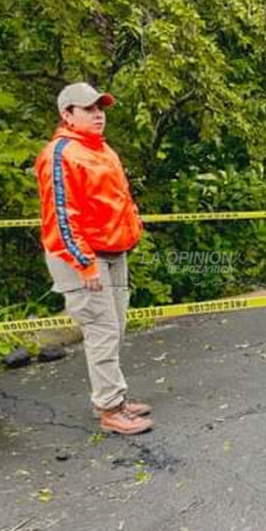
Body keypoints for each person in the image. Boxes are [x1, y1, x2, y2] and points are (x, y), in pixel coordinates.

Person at [35, 83, 151, 435]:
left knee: (114, 328)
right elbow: (61, 216)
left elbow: (118, 199)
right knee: (102, 330)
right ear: (66, 114)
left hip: (114, 253)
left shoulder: (102, 150)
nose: (98, 114)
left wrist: (133, 228)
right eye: (89, 109)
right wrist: (83, 263)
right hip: (85, 259)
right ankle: (111, 409)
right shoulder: (61, 154)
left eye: (101, 108)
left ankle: (111, 397)